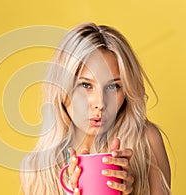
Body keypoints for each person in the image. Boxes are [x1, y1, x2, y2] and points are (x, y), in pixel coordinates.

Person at [20, 22, 171, 195]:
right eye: (85, 85)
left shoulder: (146, 141)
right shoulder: (36, 170)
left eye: (113, 87)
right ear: (62, 88)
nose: (100, 103)